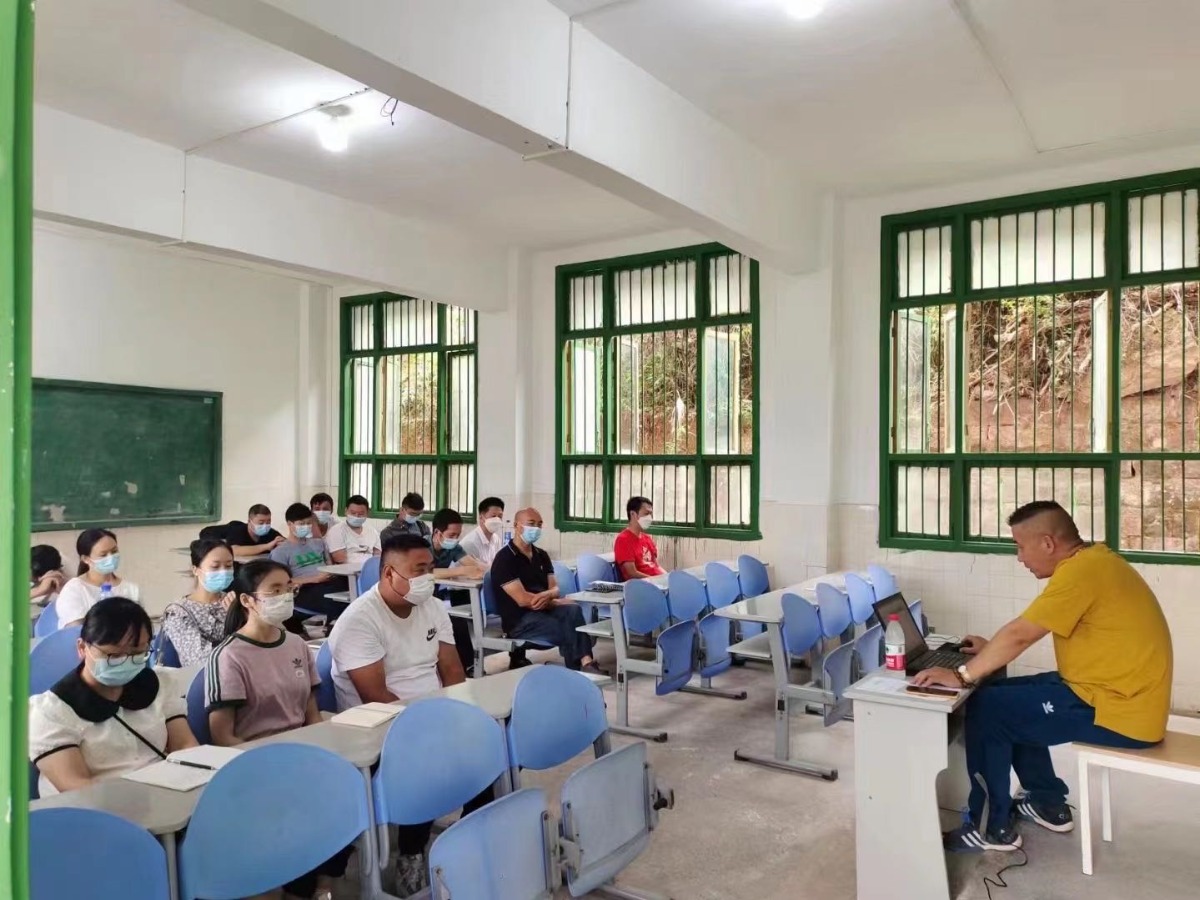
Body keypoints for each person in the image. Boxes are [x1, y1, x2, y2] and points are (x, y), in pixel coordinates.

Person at [914, 500, 1173, 853]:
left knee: (990, 710)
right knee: (1003, 697)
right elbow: (1025, 630)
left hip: (1119, 711)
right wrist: (989, 653)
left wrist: (961, 675)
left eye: (1020, 546)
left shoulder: (1081, 572)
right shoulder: (1095, 562)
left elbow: (1022, 634)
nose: (1019, 557)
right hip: (1112, 695)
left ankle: (991, 827)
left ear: (1048, 543)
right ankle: (1047, 803)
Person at [327, 532, 487, 894]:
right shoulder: (360, 620)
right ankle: (412, 853)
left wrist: (458, 716)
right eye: (419, 570)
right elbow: (377, 698)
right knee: (427, 764)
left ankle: (468, 839)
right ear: (389, 574)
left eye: (430, 568)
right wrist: (430, 727)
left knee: (491, 747)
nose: (428, 577)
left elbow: (452, 670)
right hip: (376, 728)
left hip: (430, 715)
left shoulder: (432, 606)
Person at [206, 559, 350, 900]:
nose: (285, 596)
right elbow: (222, 736)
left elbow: (310, 715)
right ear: (247, 600)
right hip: (257, 764)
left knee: (345, 793)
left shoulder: (296, 644)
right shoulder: (229, 656)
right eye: (274, 590)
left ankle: (321, 886)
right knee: (297, 815)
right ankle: (299, 885)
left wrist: (323, 755)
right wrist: (271, 766)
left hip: (300, 756)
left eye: (288, 588)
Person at [29, 596, 198, 796]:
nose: (126, 661)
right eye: (114, 655)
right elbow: (77, 787)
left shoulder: (158, 684)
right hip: (96, 807)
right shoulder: (50, 712)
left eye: (137, 653)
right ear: (82, 648)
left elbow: (185, 745)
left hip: (163, 795)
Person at [490, 508, 603, 675]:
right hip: (520, 621)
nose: (536, 528)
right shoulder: (505, 558)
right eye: (531, 524)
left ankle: (585, 665)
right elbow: (524, 600)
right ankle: (581, 669)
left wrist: (549, 596)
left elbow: (555, 588)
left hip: (544, 610)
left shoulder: (541, 555)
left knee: (573, 610)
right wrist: (554, 601)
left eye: (539, 524)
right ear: (516, 525)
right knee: (568, 627)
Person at [269, 503, 347, 628]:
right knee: (336, 601)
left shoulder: (319, 543)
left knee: (353, 591)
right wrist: (315, 579)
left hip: (328, 583)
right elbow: (281, 582)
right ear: (290, 524)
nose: (306, 527)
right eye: (301, 524)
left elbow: (330, 566)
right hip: (304, 590)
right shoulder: (280, 552)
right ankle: (333, 628)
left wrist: (331, 573)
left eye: (308, 523)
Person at [160, 538, 235, 666]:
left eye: (228, 566)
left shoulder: (236, 601)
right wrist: (236, 620)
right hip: (205, 675)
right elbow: (199, 659)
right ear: (195, 570)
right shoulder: (178, 612)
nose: (223, 571)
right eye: (215, 567)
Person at [429, 508, 486, 675]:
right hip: (416, 597)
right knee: (451, 619)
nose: (455, 539)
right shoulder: (421, 546)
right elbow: (425, 573)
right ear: (437, 532)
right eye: (452, 535)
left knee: (457, 618)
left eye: (458, 535)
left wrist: (484, 570)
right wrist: (459, 571)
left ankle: (468, 666)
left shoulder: (453, 547)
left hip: (435, 597)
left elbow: (472, 564)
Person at [56, 528, 142, 628]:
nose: (111, 557)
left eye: (114, 551)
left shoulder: (131, 589)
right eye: (103, 555)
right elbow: (74, 631)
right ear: (86, 559)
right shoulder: (74, 589)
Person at [202, 504, 285, 558]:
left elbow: (284, 543)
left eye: (268, 522)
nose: (265, 525)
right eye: (261, 522)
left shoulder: (271, 532)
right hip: (209, 537)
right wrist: (267, 546)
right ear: (249, 521)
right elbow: (234, 550)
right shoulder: (237, 531)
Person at [614, 496, 666, 581]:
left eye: (651, 514)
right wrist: (656, 581)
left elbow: (656, 565)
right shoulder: (623, 540)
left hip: (658, 581)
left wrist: (667, 577)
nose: (650, 518)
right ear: (633, 514)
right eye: (646, 514)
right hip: (643, 584)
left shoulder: (647, 538)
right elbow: (631, 573)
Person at [325, 494, 382, 565]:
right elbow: (339, 559)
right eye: (353, 513)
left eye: (361, 514)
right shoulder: (336, 531)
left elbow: (378, 556)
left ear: (367, 513)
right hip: (345, 570)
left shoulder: (372, 531)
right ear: (346, 511)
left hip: (369, 569)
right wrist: (366, 559)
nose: (356, 516)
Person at [460, 496, 507, 568]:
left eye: (500, 516)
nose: (497, 519)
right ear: (481, 517)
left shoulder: (496, 539)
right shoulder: (470, 543)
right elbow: (471, 571)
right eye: (493, 516)